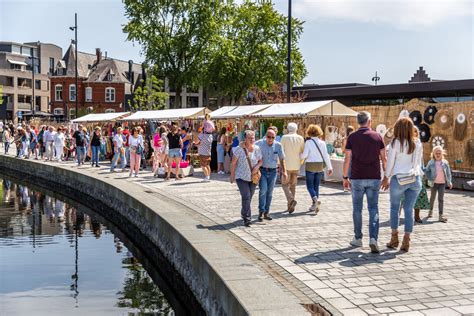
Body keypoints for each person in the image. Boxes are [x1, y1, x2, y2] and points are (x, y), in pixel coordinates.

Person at [343, 111, 386, 253]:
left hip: (357, 177)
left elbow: (347, 159)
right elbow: (384, 159)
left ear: (358, 121)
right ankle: (373, 238)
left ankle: (358, 238)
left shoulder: (352, 137)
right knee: (373, 208)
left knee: (357, 208)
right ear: (369, 121)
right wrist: (387, 176)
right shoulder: (377, 136)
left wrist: (344, 177)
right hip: (374, 177)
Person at [383, 117, 423, 252]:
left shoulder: (395, 143)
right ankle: (407, 240)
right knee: (409, 210)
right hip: (414, 179)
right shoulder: (417, 142)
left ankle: (394, 238)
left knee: (395, 208)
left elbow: (390, 163)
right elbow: (418, 163)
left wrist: (386, 177)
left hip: (399, 179)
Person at [230, 130, 263, 227]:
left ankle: (244, 212)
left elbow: (260, 161)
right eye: (250, 138)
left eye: (253, 137)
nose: (252, 139)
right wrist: (232, 175)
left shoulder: (257, 148)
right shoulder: (239, 149)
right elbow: (234, 162)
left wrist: (256, 167)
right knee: (246, 196)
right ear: (245, 139)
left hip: (253, 177)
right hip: (241, 177)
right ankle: (247, 219)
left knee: (249, 197)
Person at [255, 128, 286, 221]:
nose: (270, 139)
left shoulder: (278, 145)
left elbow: (282, 158)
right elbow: (251, 149)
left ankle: (266, 212)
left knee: (270, 193)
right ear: (265, 136)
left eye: (273, 137)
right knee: (263, 190)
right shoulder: (259, 143)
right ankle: (261, 211)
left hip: (273, 171)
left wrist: (284, 171)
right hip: (263, 170)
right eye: (269, 137)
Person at [301, 124, 333, 213]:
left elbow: (304, 155)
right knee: (316, 186)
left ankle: (315, 200)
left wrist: (299, 156)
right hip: (319, 167)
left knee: (309, 186)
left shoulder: (308, 142)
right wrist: (330, 167)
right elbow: (326, 156)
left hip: (310, 166)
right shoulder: (322, 143)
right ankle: (315, 205)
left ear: (309, 132)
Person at [280, 122, 305, 214]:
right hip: (296, 165)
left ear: (287, 129)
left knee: (284, 184)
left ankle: (290, 200)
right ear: (296, 129)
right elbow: (303, 152)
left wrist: (279, 164)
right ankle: (290, 205)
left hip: (286, 165)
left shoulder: (284, 138)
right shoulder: (300, 138)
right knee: (293, 186)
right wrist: (300, 162)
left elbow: (281, 151)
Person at [424, 146, 452, 223]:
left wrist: (449, 182)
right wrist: (429, 177)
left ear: (442, 154)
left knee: (441, 199)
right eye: (436, 153)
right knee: (432, 198)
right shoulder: (431, 162)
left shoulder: (445, 162)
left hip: (442, 184)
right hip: (433, 183)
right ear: (433, 154)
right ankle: (430, 211)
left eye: (439, 153)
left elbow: (448, 173)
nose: (438, 154)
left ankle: (440, 215)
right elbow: (427, 171)